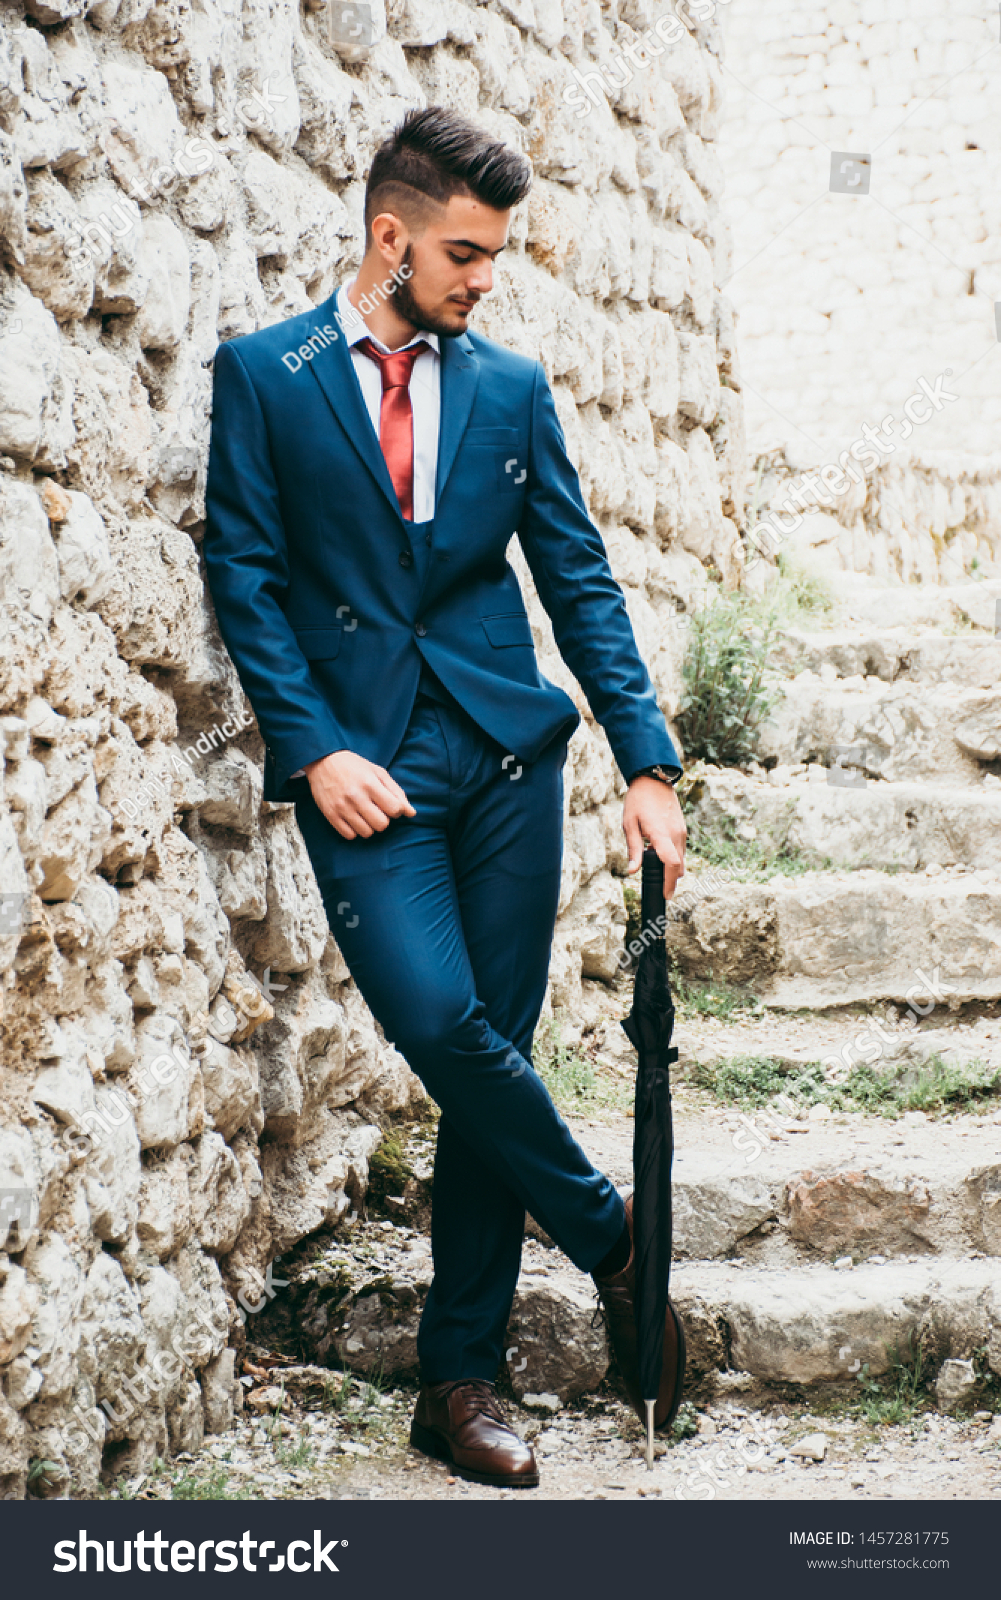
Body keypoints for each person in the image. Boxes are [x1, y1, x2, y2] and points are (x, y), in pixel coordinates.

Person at [205, 105, 687, 1490]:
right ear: (389, 235)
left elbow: (577, 581)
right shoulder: (270, 375)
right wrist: (311, 748)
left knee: (497, 1044)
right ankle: (610, 1234)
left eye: (496, 256)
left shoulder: (509, 390)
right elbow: (242, 575)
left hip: (506, 768)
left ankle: (458, 1378)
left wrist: (643, 762)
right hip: (367, 778)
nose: (485, 279)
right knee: (439, 1022)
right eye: (465, 253)